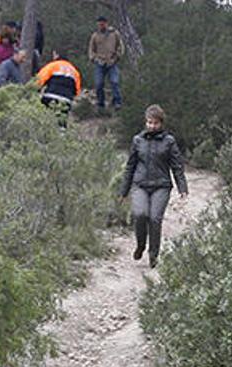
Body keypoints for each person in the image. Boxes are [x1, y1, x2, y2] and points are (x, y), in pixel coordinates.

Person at [118, 105, 189, 268]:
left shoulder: (169, 142)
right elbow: (130, 166)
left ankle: (153, 255)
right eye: (149, 122)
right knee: (140, 214)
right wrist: (124, 191)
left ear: (161, 123)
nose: (152, 126)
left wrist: (182, 188)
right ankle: (141, 245)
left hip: (161, 186)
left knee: (155, 218)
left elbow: (177, 166)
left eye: (155, 123)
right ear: (145, 122)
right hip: (140, 185)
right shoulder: (138, 140)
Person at [35, 49, 81, 128]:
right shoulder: (74, 71)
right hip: (66, 100)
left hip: (51, 96)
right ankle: (61, 135)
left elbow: (39, 80)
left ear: (56, 55)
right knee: (62, 122)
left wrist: (34, 90)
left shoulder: (53, 65)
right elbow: (77, 91)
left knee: (43, 119)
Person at [88, 16, 124, 110]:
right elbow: (91, 50)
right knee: (99, 83)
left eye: (103, 24)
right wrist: (94, 59)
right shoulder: (95, 36)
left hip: (112, 62)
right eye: (99, 24)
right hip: (100, 63)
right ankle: (101, 103)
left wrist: (116, 58)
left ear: (106, 23)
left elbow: (120, 47)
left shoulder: (114, 34)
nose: (101, 26)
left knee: (114, 82)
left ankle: (117, 102)